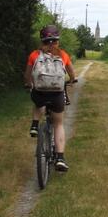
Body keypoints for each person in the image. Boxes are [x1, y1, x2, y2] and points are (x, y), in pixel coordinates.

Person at [24, 25, 77, 172]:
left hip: (40, 92)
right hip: (57, 94)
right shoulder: (63, 55)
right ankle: (60, 157)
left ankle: (35, 125)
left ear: (42, 41)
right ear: (57, 41)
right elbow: (72, 73)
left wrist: (29, 84)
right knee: (58, 124)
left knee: (37, 100)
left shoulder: (34, 55)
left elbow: (27, 75)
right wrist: (72, 80)